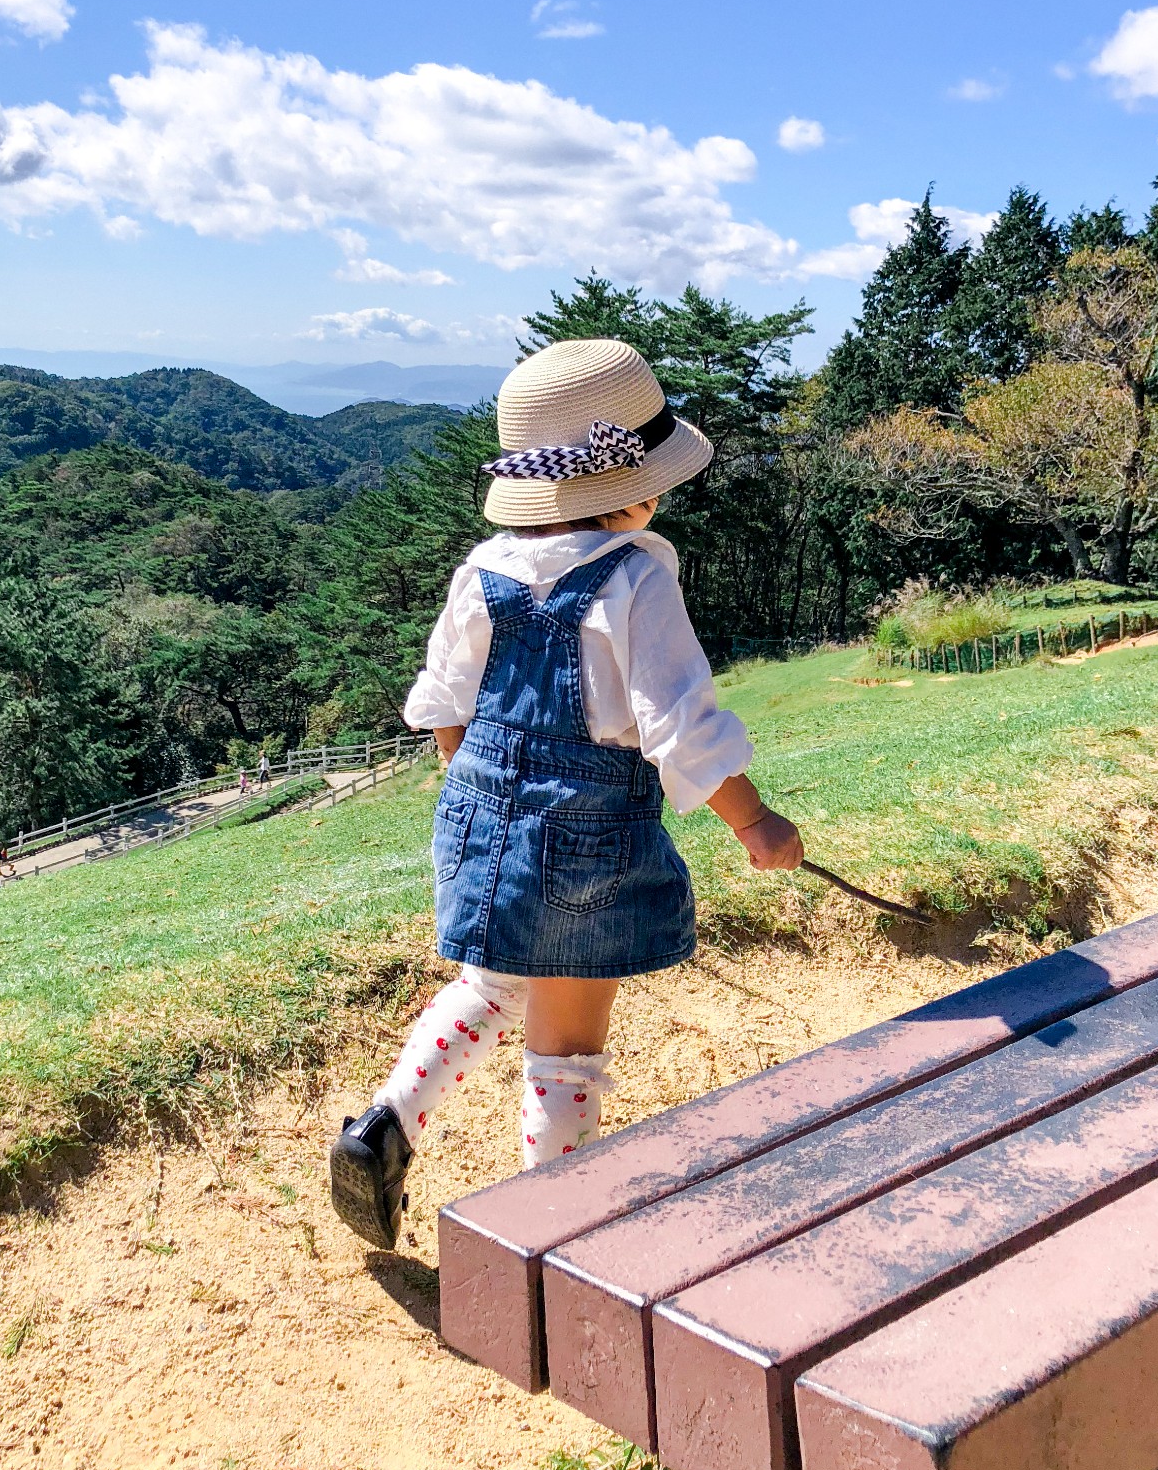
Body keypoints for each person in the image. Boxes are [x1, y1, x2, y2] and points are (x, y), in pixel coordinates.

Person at [328, 338, 804, 1250]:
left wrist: (481, 787)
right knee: (567, 1044)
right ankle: (556, 1217)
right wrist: (758, 823)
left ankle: (385, 1123)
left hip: (476, 812)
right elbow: (679, 725)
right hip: (585, 832)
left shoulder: (485, 569)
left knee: (489, 983)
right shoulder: (635, 579)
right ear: (630, 487)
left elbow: (443, 700)